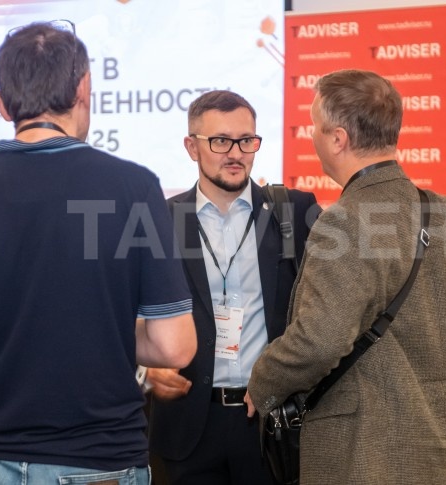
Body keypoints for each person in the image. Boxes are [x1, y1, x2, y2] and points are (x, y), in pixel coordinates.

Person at [0, 20, 196, 485]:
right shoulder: (134, 187)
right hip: (99, 460)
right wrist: (102, 327)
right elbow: (174, 346)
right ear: (84, 88)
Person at [245, 69, 446, 484]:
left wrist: (263, 382)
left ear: (338, 139)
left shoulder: (344, 221)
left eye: (314, 125)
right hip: (433, 443)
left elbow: (318, 341)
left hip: (361, 452)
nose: (311, 136)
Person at [146, 90, 320, 485]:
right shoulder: (159, 220)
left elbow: (326, 310)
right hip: (188, 423)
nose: (236, 153)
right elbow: (130, 309)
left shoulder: (293, 211)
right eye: (220, 141)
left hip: (269, 421)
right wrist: (148, 366)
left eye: (246, 141)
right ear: (192, 147)